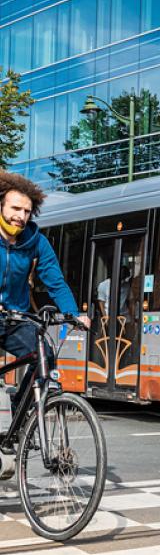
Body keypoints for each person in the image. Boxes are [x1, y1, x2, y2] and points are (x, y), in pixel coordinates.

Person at [0, 173, 90, 411]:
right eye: (15, 208)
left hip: (14, 318)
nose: (20, 216)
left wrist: (73, 313)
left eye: (27, 211)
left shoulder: (36, 242)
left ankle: (21, 411)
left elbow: (56, 282)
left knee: (45, 356)